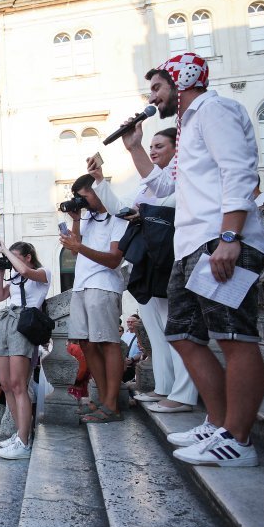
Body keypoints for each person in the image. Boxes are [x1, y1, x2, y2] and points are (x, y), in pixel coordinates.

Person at [130, 53, 264, 467]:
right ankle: (217, 422)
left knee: (233, 337)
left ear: (184, 79)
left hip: (220, 239)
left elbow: (239, 172)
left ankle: (239, 440)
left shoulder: (216, 109)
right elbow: (159, 185)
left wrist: (230, 235)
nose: (152, 96)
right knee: (184, 336)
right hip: (191, 247)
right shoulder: (185, 128)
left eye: (157, 86)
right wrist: (135, 146)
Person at [91, 128, 199, 414]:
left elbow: (175, 204)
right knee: (154, 325)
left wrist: (145, 213)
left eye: (159, 146)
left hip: (171, 256)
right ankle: (165, 386)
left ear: (176, 149)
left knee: (174, 324)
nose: (153, 151)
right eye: (150, 146)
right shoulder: (146, 185)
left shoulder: (183, 174)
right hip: (149, 258)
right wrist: (100, 180)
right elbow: (119, 207)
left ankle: (185, 392)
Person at [60, 173, 128, 424]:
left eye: (84, 195)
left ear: (98, 191)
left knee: (108, 342)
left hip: (104, 285)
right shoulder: (86, 217)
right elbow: (74, 249)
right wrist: (77, 221)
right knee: (87, 343)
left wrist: (80, 248)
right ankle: (102, 399)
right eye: (77, 197)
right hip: (81, 285)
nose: (81, 201)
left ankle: (112, 404)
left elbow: (113, 260)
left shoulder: (118, 216)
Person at [0, 241, 51, 458]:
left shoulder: (42, 272)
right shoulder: (14, 276)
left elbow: (25, 271)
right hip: (6, 321)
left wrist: (5, 250)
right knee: (6, 384)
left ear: (28, 256)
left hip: (24, 323)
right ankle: (19, 434)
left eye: (15, 257)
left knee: (18, 385)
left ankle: (24, 441)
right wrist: (0, 274)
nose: (11, 262)